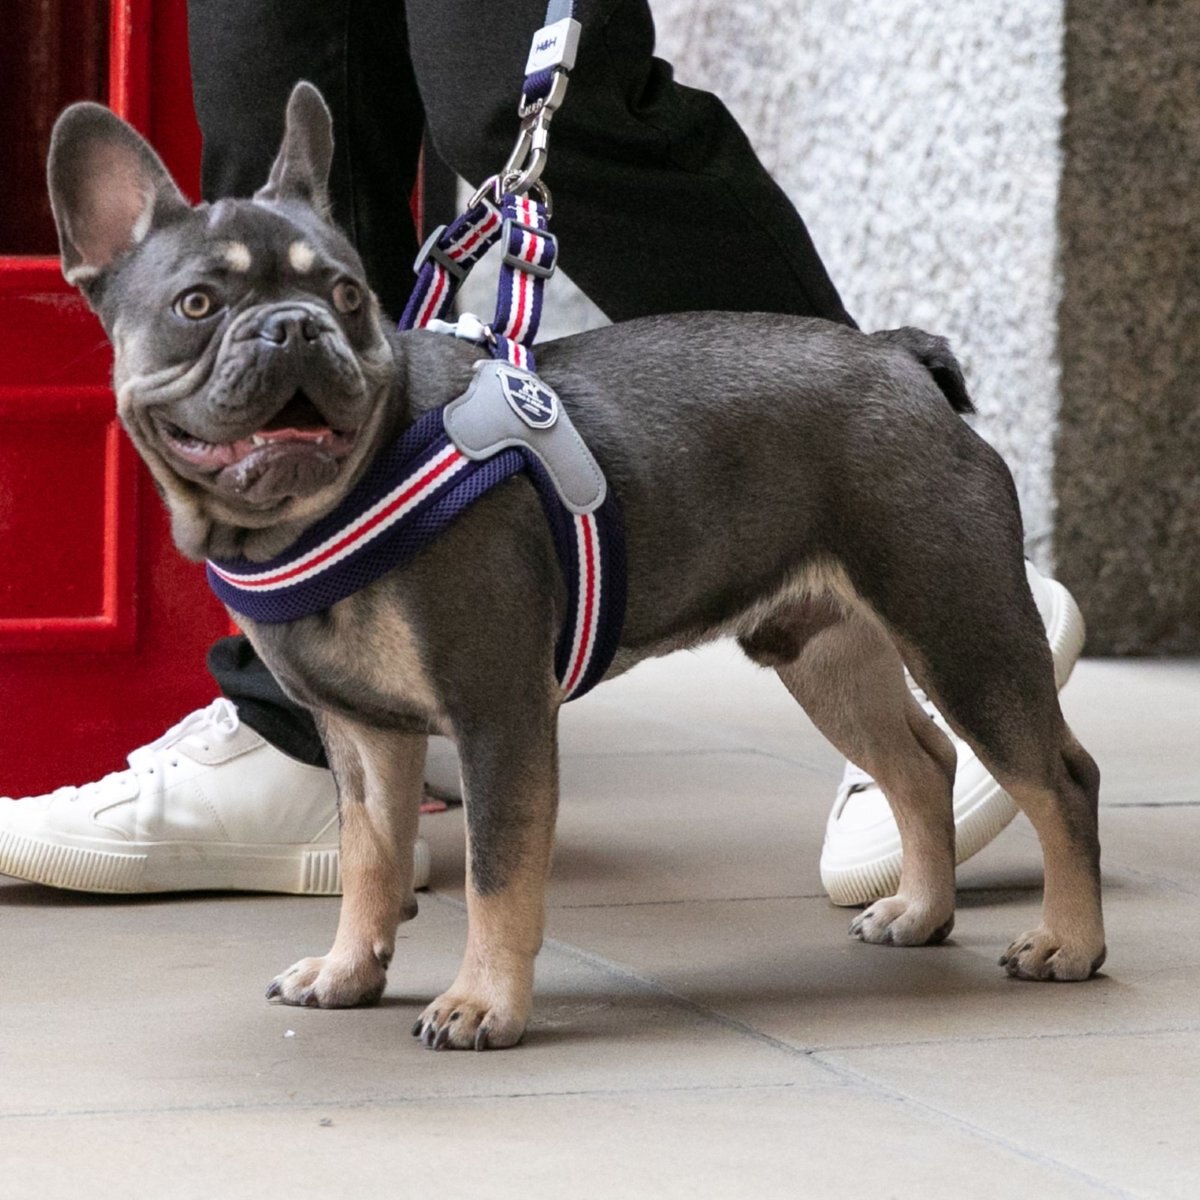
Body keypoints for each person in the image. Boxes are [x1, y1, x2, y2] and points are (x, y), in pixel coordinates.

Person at [0, 0, 1083, 901]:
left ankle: (907, 521)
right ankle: (299, 722)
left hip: (816, 473)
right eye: (198, 307)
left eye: (331, 305)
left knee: (515, 94)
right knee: (268, 84)